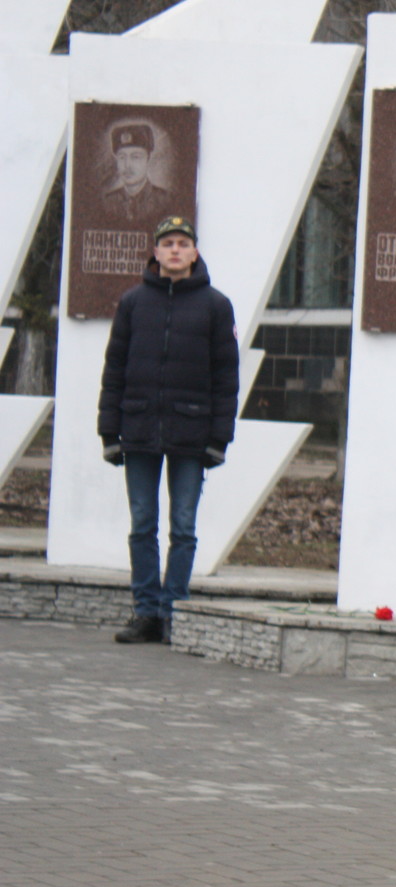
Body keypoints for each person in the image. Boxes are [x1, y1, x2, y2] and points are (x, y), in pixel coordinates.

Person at [98, 216, 239, 644]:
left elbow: (226, 376)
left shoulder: (216, 306)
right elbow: (114, 368)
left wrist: (218, 438)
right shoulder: (133, 303)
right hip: (139, 426)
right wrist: (109, 431)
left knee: (183, 526)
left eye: (183, 243)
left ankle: (174, 611)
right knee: (142, 523)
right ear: (155, 253)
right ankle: (146, 613)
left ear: (194, 253)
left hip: (191, 434)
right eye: (168, 243)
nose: (175, 250)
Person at [100, 124, 175, 229]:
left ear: (148, 159)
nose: (127, 165)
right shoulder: (108, 202)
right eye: (122, 157)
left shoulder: (164, 200)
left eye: (135, 157)